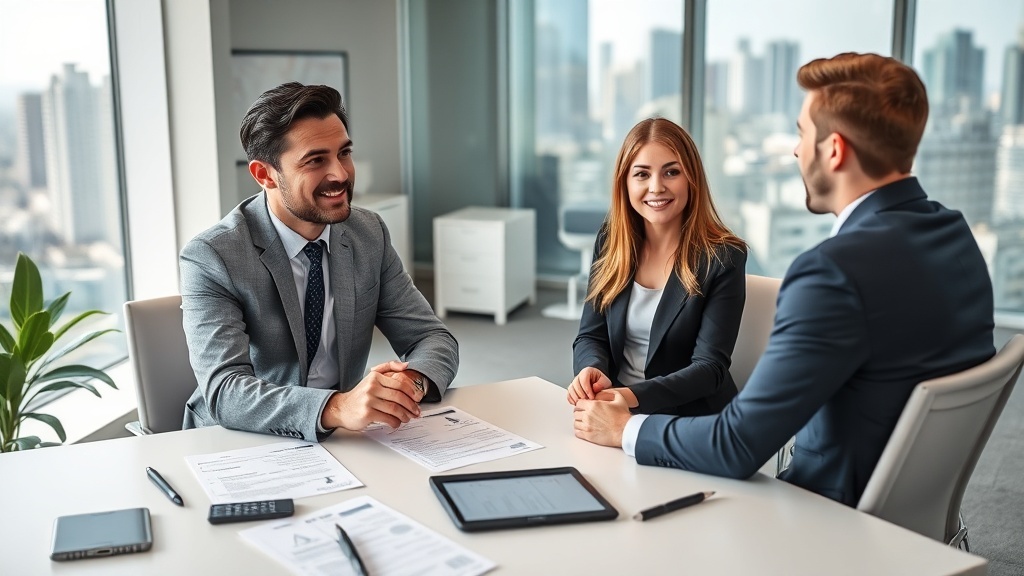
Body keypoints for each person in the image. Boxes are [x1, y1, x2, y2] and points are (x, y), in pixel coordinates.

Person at [572, 53, 995, 506]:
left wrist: (626, 428)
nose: (795, 150)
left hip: (827, 514)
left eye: (801, 133)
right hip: (911, 507)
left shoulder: (831, 273)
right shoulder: (954, 235)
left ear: (833, 150)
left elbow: (737, 444)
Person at [179, 82, 458, 441]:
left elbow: (432, 337)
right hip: (242, 439)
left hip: (342, 439)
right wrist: (337, 407)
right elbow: (226, 391)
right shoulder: (213, 256)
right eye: (315, 161)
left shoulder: (368, 232)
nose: (340, 174)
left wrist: (409, 382)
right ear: (265, 175)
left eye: (344, 153)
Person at [568, 118, 747, 418]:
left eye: (671, 172)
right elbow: (591, 335)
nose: (656, 187)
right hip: (616, 410)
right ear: (625, 183)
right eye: (641, 174)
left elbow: (709, 369)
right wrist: (591, 369)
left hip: (689, 421)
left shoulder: (723, 256)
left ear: (692, 178)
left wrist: (628, 396)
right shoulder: (611, 241)